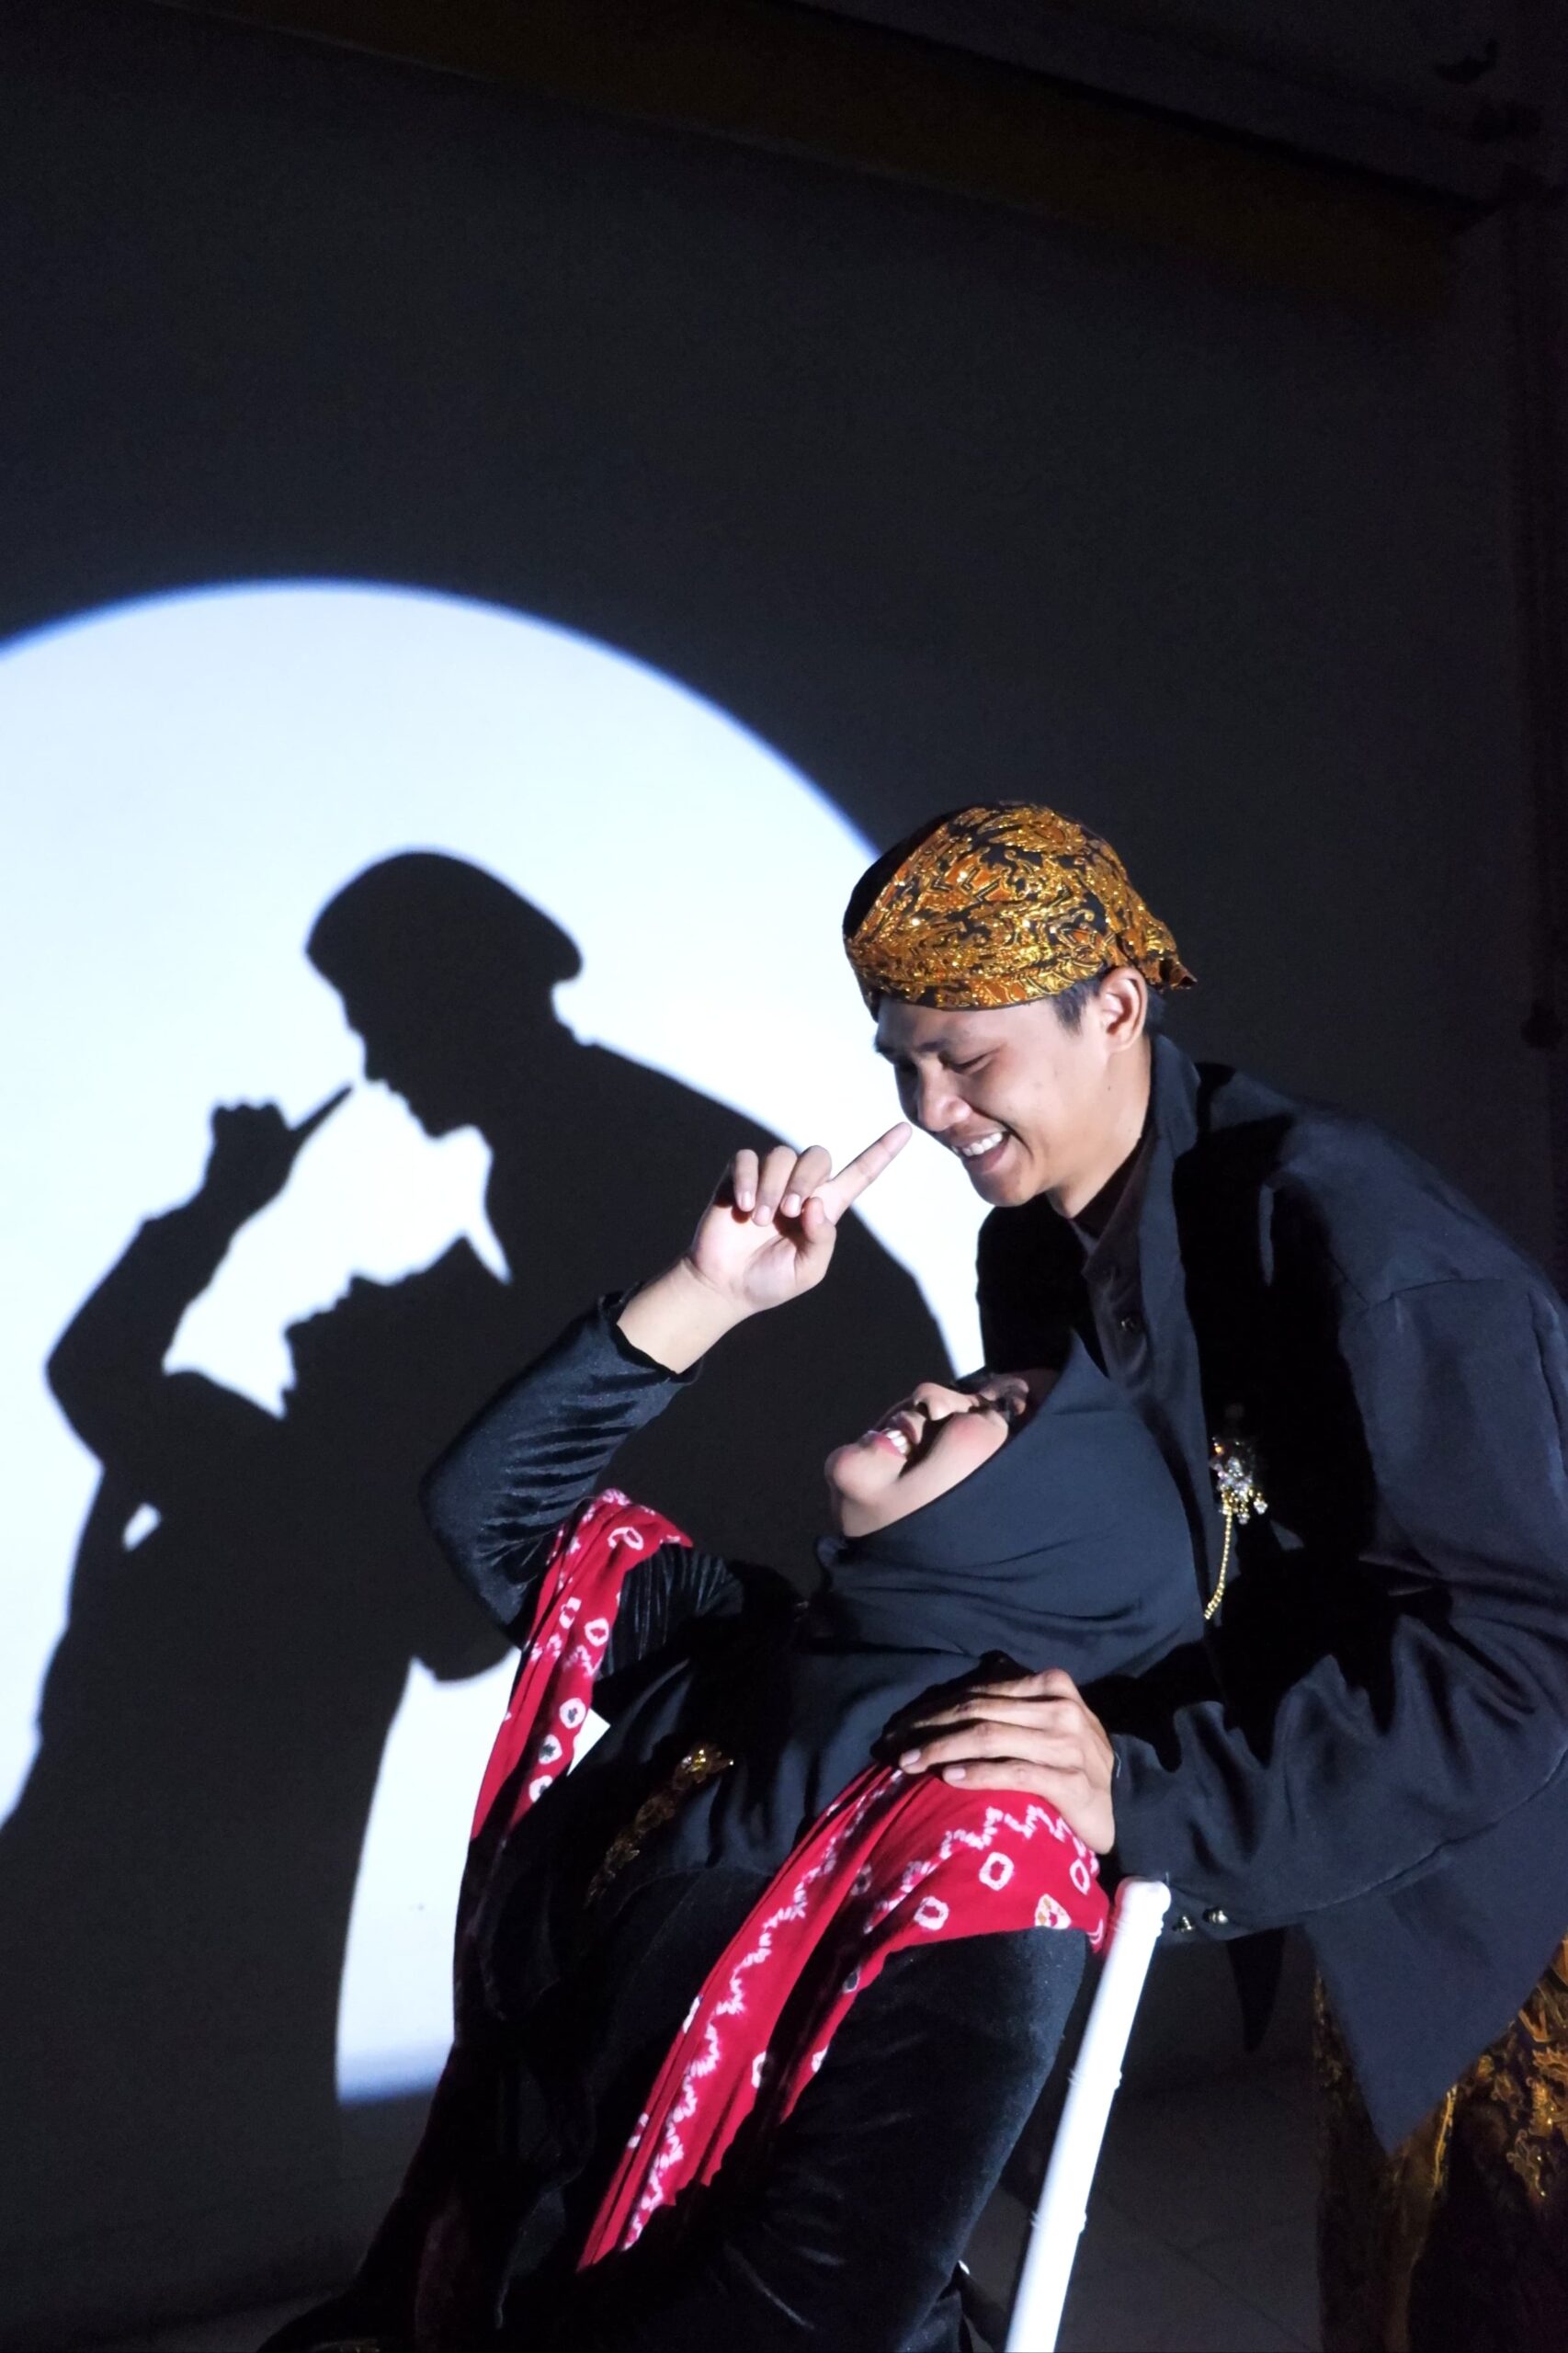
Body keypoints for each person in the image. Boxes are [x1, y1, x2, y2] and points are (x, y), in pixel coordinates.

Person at [265, 1120, 1202, 2353]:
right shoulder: (747, 1648)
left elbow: (807, 2309)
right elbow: (488, 1515)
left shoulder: (987, 1846)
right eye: (970, 1380)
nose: (936, 1391)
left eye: (997, 1411)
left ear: (1060, 1530)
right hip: (481, 2293)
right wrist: (706, 1292)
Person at [841, 801, 1568, 2353]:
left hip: (1528, 1876)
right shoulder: (1034, 1245)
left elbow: (1521, 1655)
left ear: (1113, 1003)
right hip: (1373, 1846)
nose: (928, 1108)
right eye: (898, 1062)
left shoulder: (1350, 1236)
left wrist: (1163, 1798)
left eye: (964, 1059)